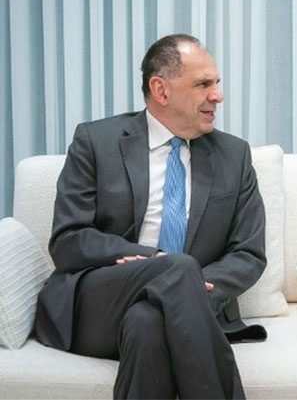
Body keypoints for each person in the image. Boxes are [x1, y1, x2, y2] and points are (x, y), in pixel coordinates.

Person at [34, 33, 267, 399]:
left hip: (191, 303)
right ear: (161, 90)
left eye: (217, 83)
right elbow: (68, 239)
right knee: (177, 266)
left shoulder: (234, 156)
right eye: (204, 84)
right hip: (101, 301)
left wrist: (188, 284)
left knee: (147, 323)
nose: (218, 95)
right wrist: (154, 260)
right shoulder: (96, 141)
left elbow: (249, 253)